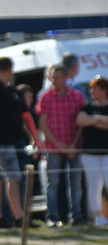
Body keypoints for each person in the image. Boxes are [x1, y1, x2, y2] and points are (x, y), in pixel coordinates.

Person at [0, 57, 31, 229]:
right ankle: (19, 216)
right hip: (1, 141)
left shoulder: (8, 88)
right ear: (8, 69)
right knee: (14, 177)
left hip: (8, 140)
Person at [36, 63, 86, 227]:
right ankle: (52, 216)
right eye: (52, 77)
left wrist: (72, 145)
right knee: (53, 183)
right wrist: (58, 144)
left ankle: (76, 215)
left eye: (57, 77)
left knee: (75, 183)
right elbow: (43, 124)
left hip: (74, 146)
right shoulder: (46, 97)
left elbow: (81, 122)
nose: (54, 80)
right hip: (54, 148)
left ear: (65, 78)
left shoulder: (77, 96)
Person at [75, 75, 108, 227]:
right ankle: (97, 217)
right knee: (94, 185)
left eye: (95, 88)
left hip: (106, 153)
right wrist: (100, 119)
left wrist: (93, 120)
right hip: (90, 154)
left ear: (104, 90)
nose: (91, 91)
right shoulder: (87, 107)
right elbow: (81, 120)